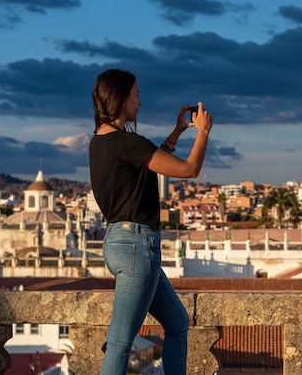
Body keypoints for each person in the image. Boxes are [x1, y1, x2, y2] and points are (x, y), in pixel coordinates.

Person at [89, 68, 213, 375]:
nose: (139, 102)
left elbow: (147, 165)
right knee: (120, 343)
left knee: (177, 323)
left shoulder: (100, 143)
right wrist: (203, 132)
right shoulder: (128, 142)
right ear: (120, 98)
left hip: (118, 242)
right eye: (136, 94)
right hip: (137, 246)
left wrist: (176, 133)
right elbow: (188, 170)